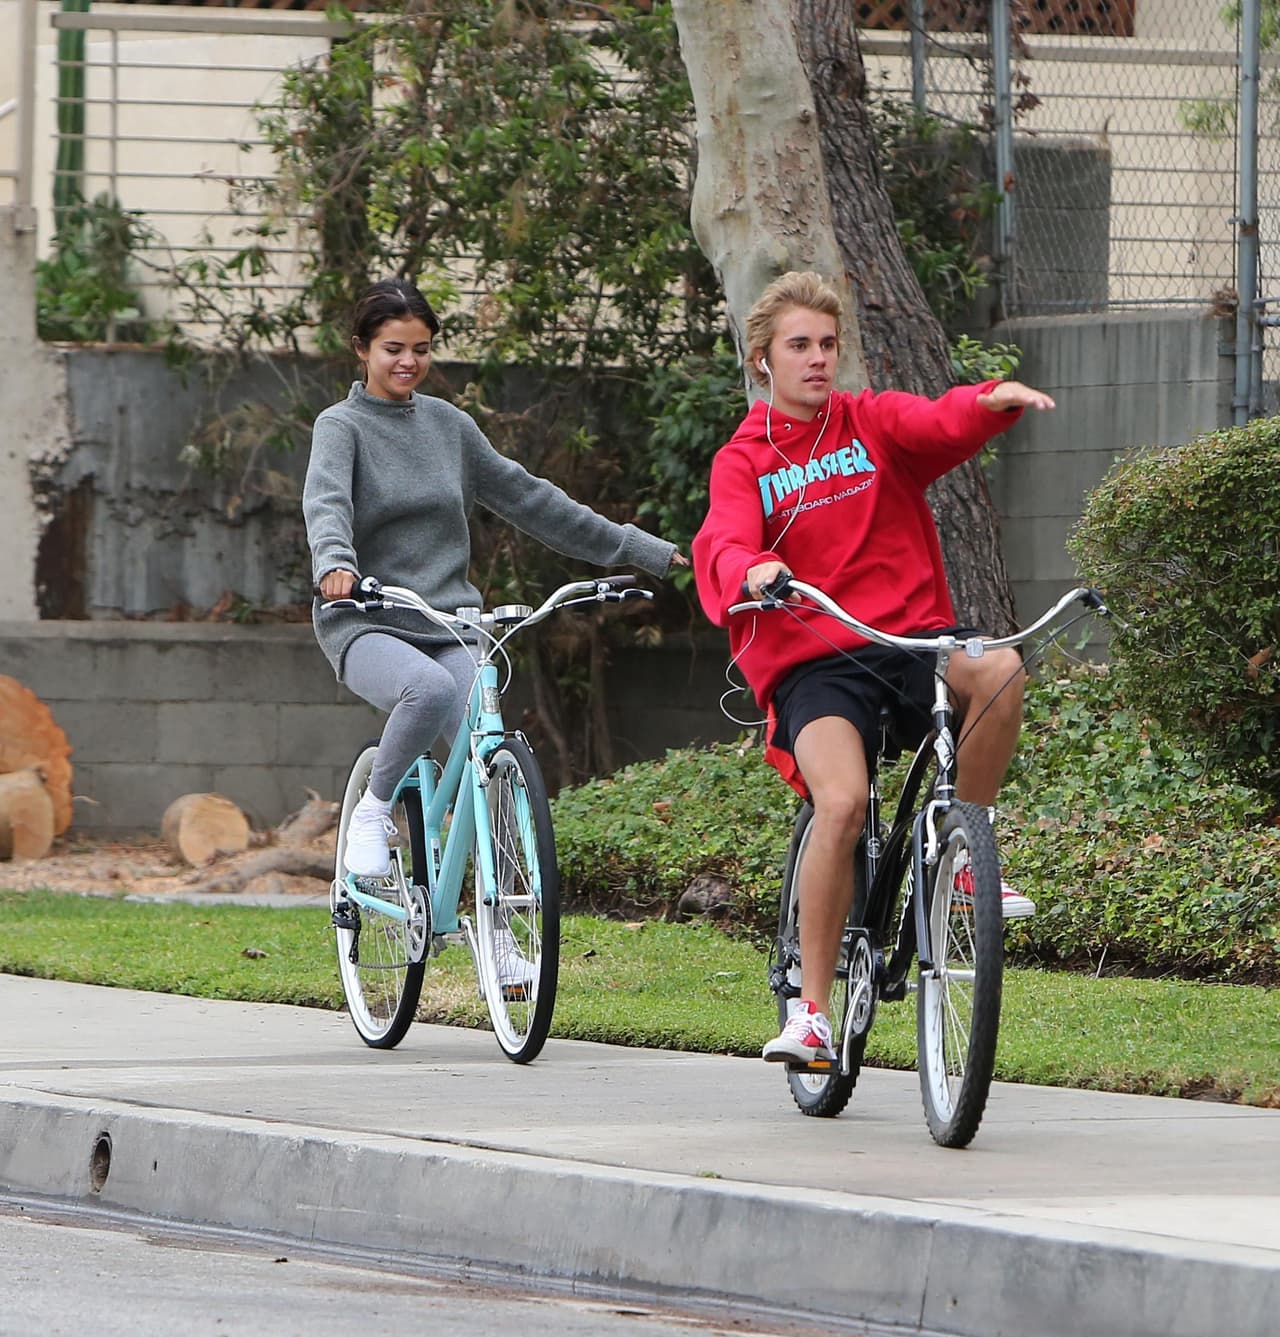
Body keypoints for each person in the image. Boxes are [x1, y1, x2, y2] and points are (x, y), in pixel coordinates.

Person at [691, 271, 1054, 1065]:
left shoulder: (869, 424)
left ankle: (962, 857)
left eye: (827, 344)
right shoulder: (744, 458)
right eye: (799, 346)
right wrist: (751, 568)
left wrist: (989, 399)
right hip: (816, 658)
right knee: (845, 802)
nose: (818, 359)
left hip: (911, 636)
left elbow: (934, 422)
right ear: (763, 360)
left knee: (998, 669)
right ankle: (812, 1011)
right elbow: (721, 539)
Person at [304, 276, 686, 879]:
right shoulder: (341, 427)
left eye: (422, 350)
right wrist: (335, 563)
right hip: (367, 618)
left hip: (449, 622)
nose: (409, 362)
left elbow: (535, 502)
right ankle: (375, 810)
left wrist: (641, 548)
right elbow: (328, 504)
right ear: (361, 348)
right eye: (393, 349)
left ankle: (503, 926)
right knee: (425, 691)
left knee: (490, 768)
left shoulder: (450, 428)